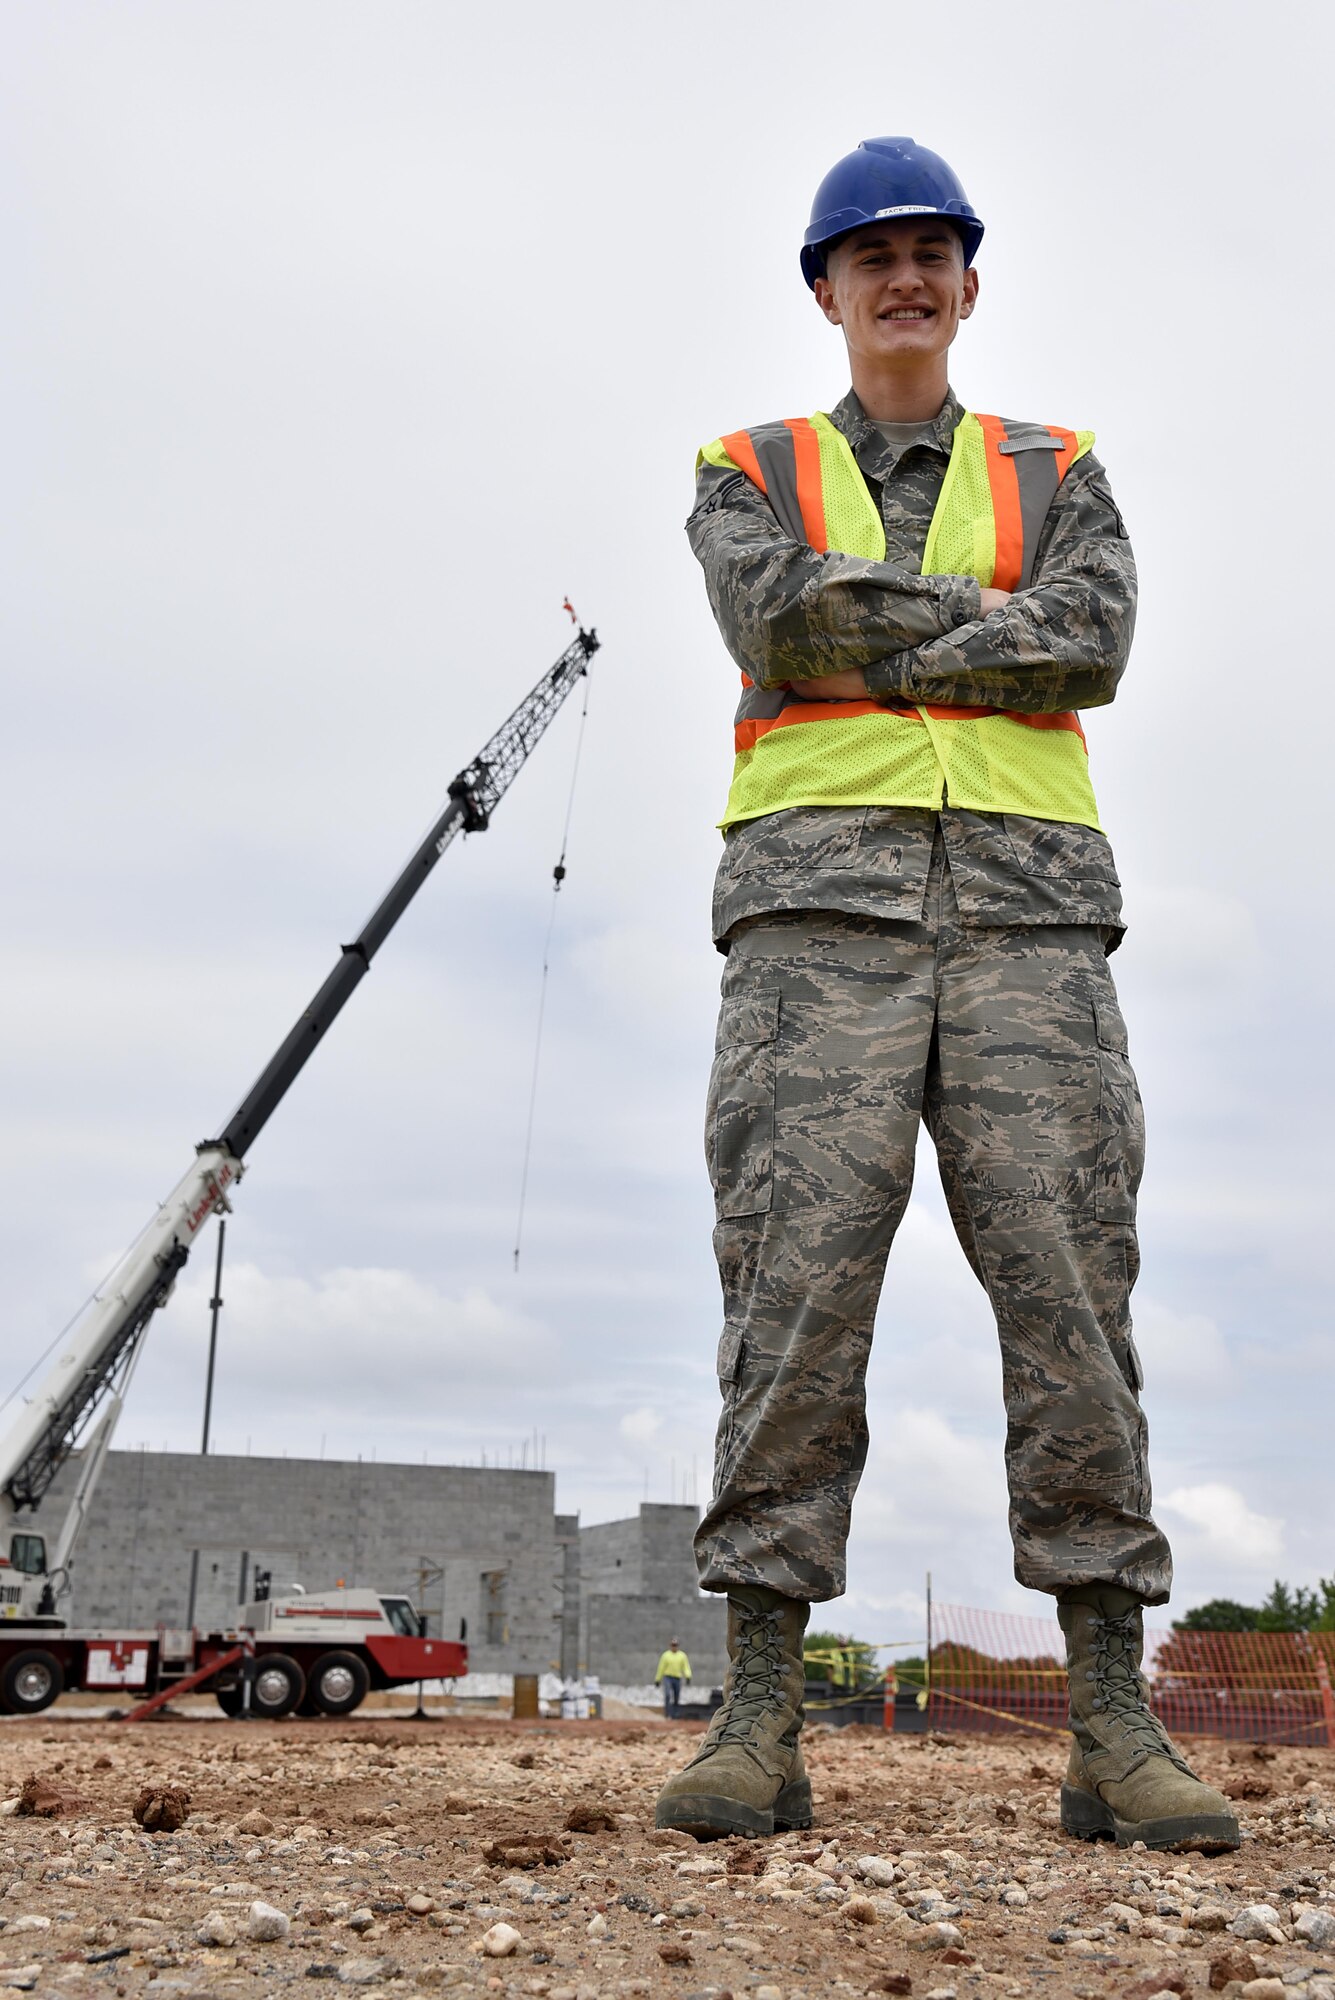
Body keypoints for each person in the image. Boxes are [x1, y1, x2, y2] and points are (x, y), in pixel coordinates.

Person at [655, 137, 1240, 1854]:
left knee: (1071, 1298)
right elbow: (774, 622)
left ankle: (1112, 1724)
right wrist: (990, 620)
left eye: (935, 252)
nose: (906, 277)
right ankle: (757, 1723)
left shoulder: (1062, 464)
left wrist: (883, 638)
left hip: (1031, 926)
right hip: (813, 919)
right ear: (826, 289)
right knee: (796, 1296)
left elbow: (1101, 639)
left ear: (971, 284)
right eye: (871, 254)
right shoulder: (743, 465)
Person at [655, 1639, 692, 1718]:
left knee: (676, 1696)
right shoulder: (666, 1655)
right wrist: (657, 1679)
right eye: (673, 1645)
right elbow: (661, 1668)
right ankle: (667, 1713)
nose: (674, 1647)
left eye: (675, 1645)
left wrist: (688, 1676)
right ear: (670, 1646)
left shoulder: (682, 1656)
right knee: (668, 1695)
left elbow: (685, 1667)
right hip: (668, 1677)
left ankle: (675, 1714)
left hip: (677, 1678)